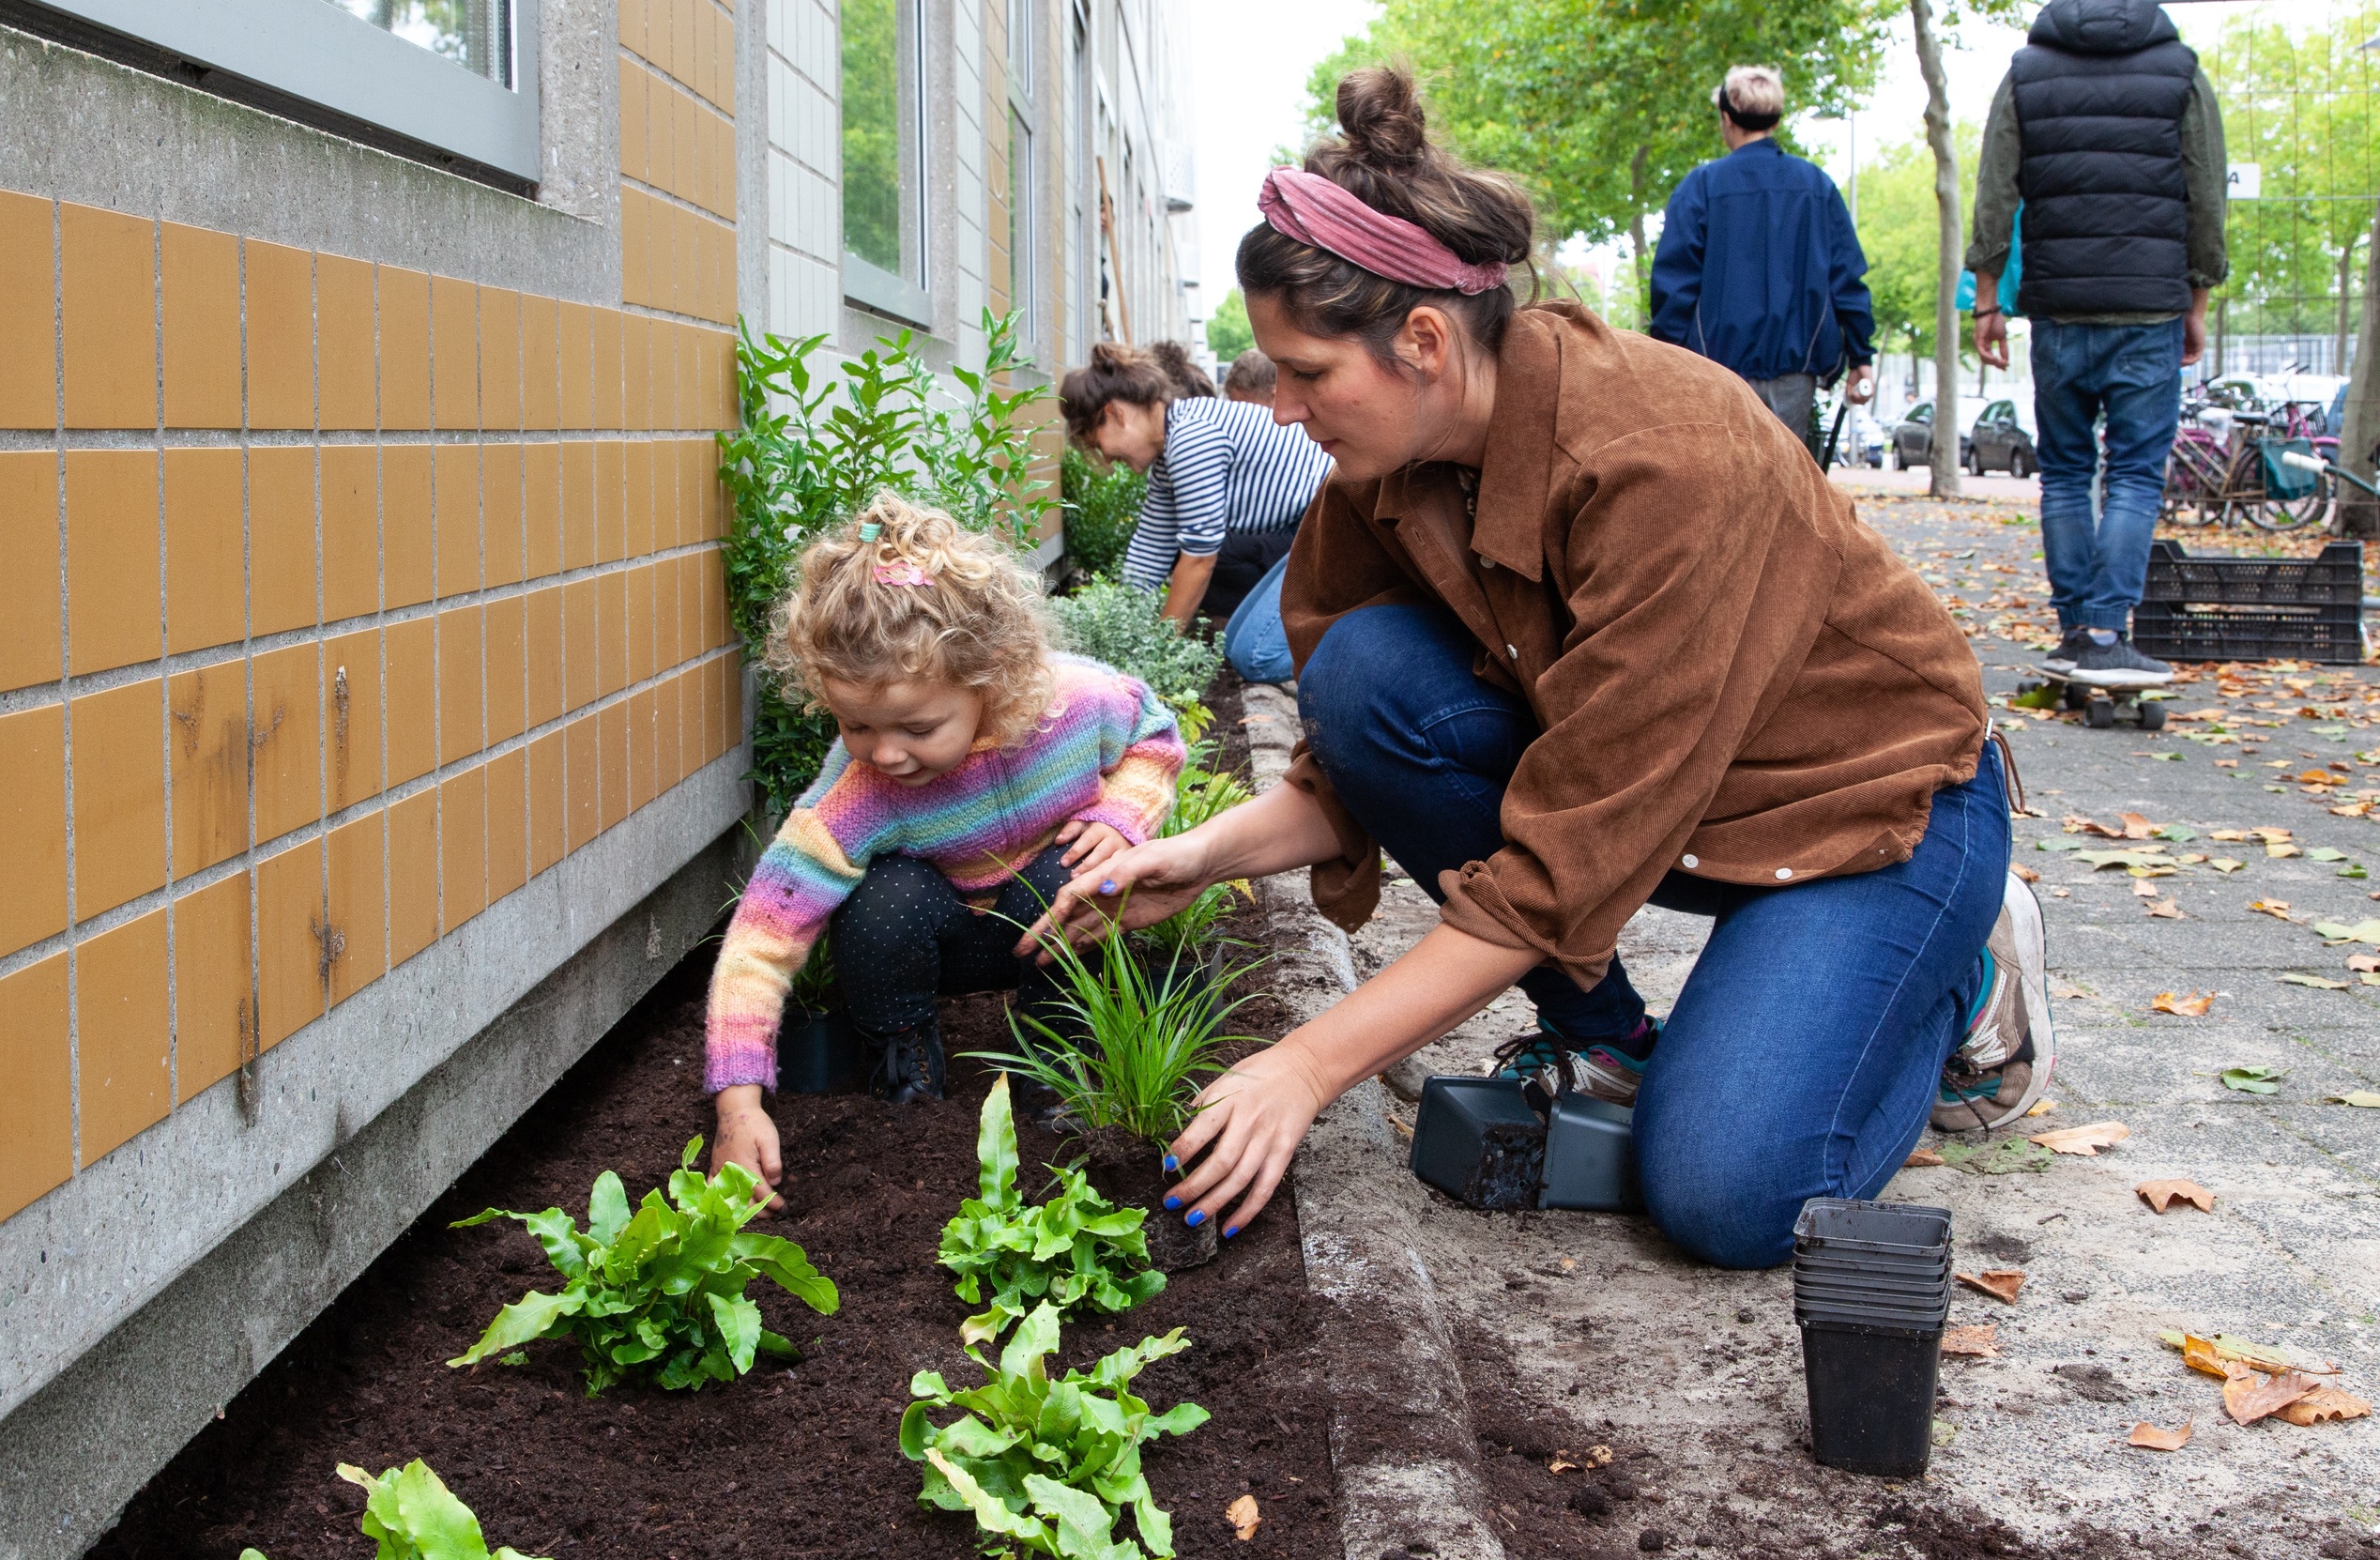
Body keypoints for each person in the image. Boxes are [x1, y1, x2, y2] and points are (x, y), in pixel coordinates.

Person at [1025, 67, 2055, 1271]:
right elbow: (1356, 759)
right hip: (1675, 811)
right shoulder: (1382, 465)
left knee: (1728, 1196)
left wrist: (1305, 1064)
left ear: (1420, 341)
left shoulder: (1665, 460)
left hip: (1871, 814)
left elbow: (1566, 860)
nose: (1283, 411)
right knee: (1361, 674)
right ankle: (1614, 1040)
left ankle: (1957, 975)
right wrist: (1196, 861)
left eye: (1307, 375)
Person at [702, 494, 1185, 1202]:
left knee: (1080, 866)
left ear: (989, 676)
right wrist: (737, 1106)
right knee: (878, 895)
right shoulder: (859, 787)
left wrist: (1123, 814)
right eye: (856, 724)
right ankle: (907, 1070)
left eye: (918, 727)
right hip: (935, 938)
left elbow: (1154, 736)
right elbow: (764, 933)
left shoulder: (1073, 705)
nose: (886, 752)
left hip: (1046, 916)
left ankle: (1054, 1059)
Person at [1971, 0, 2226, 690]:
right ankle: (2110, 632)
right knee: (2136, 473)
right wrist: (2198, 299)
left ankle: (2076, 630)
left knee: (2063, 470)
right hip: (2150, 307)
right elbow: (2205, 193)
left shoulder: (2026, 72)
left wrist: (1988, 297)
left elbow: (1996, 188)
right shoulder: (2181, 71)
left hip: (2058, 308)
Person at [1059, 343, 1331, 685]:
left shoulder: (1190, 439)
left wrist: (1156, 657)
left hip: (1335, 520)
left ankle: (1353, 638)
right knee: (1232, 641)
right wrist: (1121, 628)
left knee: (1256, 656)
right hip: (1304, 526)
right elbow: (1148, 551)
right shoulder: (1169, 449)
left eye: (1099, 445)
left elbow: (1200, 559)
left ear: (1115, 414)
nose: (1108, 460)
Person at [1648, 65, 1876, 450]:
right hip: (1796, 372)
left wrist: (1664, 362)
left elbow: (1674, 286)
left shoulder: (1701, 187)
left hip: (1714, 372)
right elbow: (1845, 276)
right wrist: (1860, 356)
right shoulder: (1816, 186)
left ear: (1726, 118)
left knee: (1722, 486)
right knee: (1785, 488)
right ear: (1777, 120)